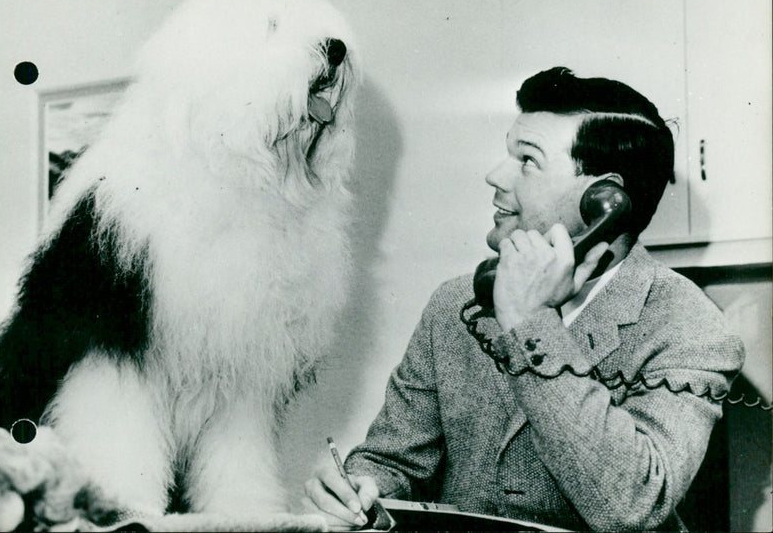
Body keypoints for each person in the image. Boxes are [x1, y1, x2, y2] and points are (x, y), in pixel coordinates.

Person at [302, 67, 745, 531]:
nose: (496, 175)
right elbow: (394, 462)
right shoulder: (456, 305)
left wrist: (532, 322)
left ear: (603, 199)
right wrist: (359, 492)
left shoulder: (690, 328)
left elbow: (631, 505)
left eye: (527, 160)